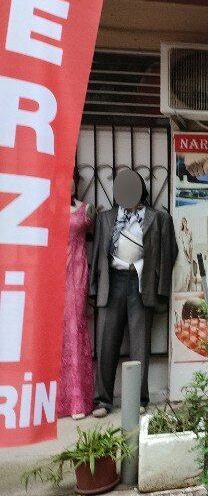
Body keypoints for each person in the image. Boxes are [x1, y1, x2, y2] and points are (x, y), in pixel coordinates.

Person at [89, 170, 176, 417]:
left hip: (140, 282)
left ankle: (139, 398)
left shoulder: (157, 219)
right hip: (112, 281)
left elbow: (168, 254)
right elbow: (97, 256)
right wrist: (94, 290)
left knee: (140, 344)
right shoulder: (106, 218)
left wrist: (161, 290)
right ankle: (103, 401)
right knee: (106, 342)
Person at [57, 170, 95, 419]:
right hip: (54, 272)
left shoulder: (86, 209)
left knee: (74, 327)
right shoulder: (46, 207)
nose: (68, 182)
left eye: (71, 177)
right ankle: (57, 401)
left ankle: (79, 401)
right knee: (55, 332)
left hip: (77, 273)